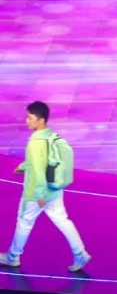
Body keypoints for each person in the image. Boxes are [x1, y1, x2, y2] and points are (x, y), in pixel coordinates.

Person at [0, 102, 91, 272]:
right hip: (55, 189)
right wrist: (23, 166)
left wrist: (41, 194)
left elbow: (39, 169)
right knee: (63, 221)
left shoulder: (35, 142)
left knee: (24, 222)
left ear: (40, 120)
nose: (26, 120)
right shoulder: (51, 136)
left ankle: (12, 257)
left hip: (37, 193)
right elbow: (44, 160)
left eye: (30, 118)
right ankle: (80, 254)